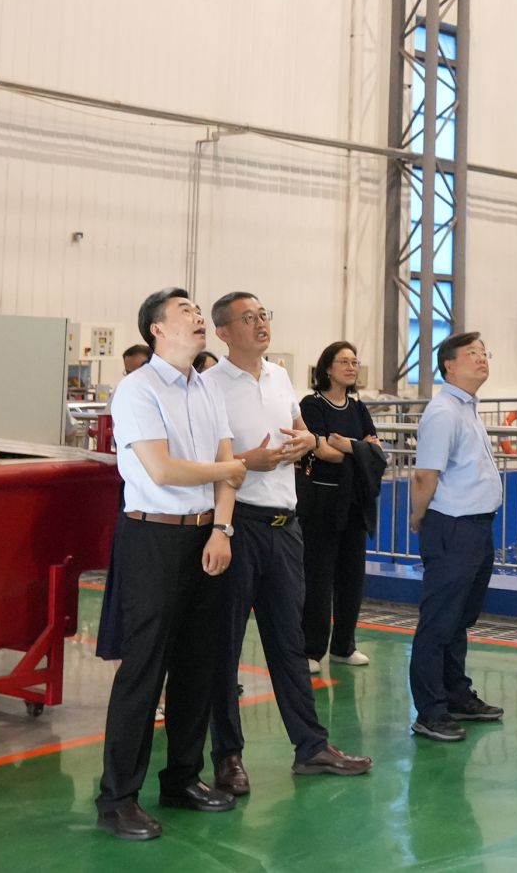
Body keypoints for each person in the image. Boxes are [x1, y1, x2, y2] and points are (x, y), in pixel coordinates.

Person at [94, 289, 254, 842]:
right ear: (156, 329)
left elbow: (228, 467)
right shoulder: (138, 390)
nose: (197, 317)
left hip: (206, 537)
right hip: (153, 537)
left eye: (197, 311)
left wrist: (222, 528)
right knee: (145, 669)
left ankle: (182, 778)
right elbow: (161, 470)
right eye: (185, 311)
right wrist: (226, 469)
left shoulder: (206, 387)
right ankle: (117, 799)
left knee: (198, 665)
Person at [203, 293, 372, 796]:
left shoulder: (278, 377)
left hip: (286, 526)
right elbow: (209, 461)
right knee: (224, 646)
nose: (260, 324)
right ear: (224, 333)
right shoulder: (209, 386)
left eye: (263, 315)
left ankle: (311, 746)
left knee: (289, 643)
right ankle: (228, 756)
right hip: (239, 523)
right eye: (248, 318)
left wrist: (306, 443)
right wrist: (245, 463)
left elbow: (303, 434)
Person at [406, 331, 506, 743]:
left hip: (476, 527)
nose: (482, 359)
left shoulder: (467, 408)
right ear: (449, 365)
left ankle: (456, 695)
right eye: (472, 354)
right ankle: (430, 711)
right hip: (452, 527)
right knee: (439, 622)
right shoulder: (444, 411)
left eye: (484, 352)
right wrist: (418, 517)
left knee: (459, 619)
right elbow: (425, 474)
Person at [299, 341, 384, 671]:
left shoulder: (358, 409)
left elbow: (375, 453)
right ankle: (311, 649)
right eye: (344, 361)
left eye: (354, 362)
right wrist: (358, 449)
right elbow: (320, 450)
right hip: (322, 502)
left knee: (352, 578)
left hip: (353, 502)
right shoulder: (312, 405)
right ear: (327, 368)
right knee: (318, 577)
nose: (351, 367)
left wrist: (346, 445)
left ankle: (344, 646)